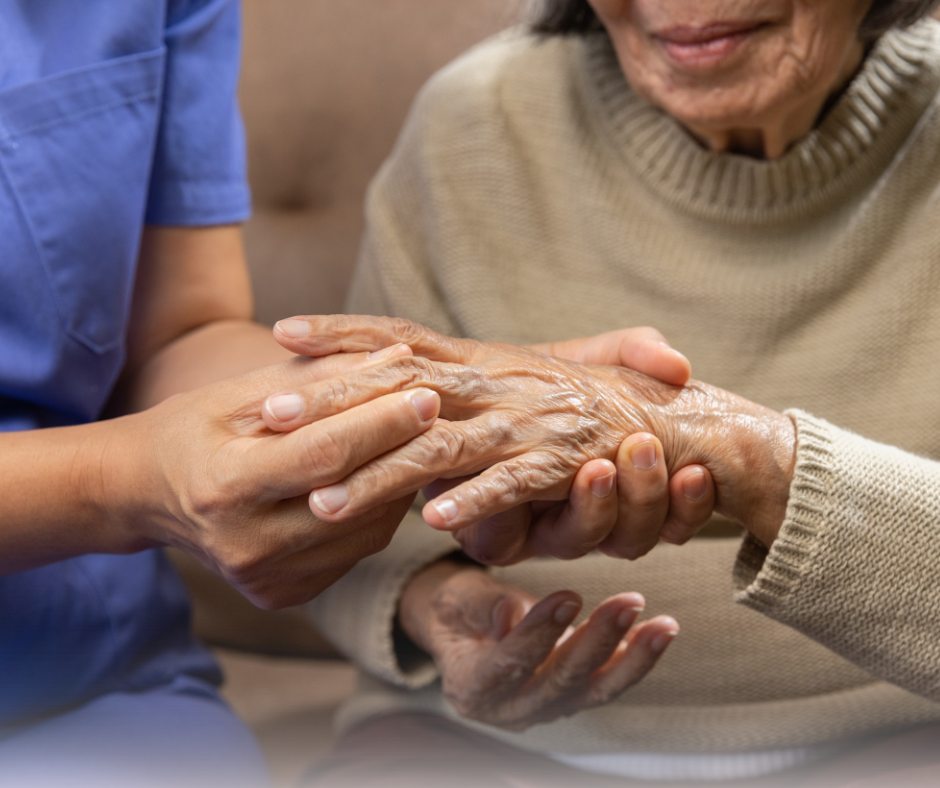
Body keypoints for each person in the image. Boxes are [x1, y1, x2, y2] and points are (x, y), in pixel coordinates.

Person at [0, 3, 697, 784]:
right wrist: (121, 483)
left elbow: (175, 335)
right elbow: (135, 468)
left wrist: (449, 387)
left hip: (98, 681)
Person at [258, 0, 940, 784]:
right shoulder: (470, 123)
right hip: (483, 750)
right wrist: (434, 606)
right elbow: (350, 513)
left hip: (901, 734)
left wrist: (749, 456)